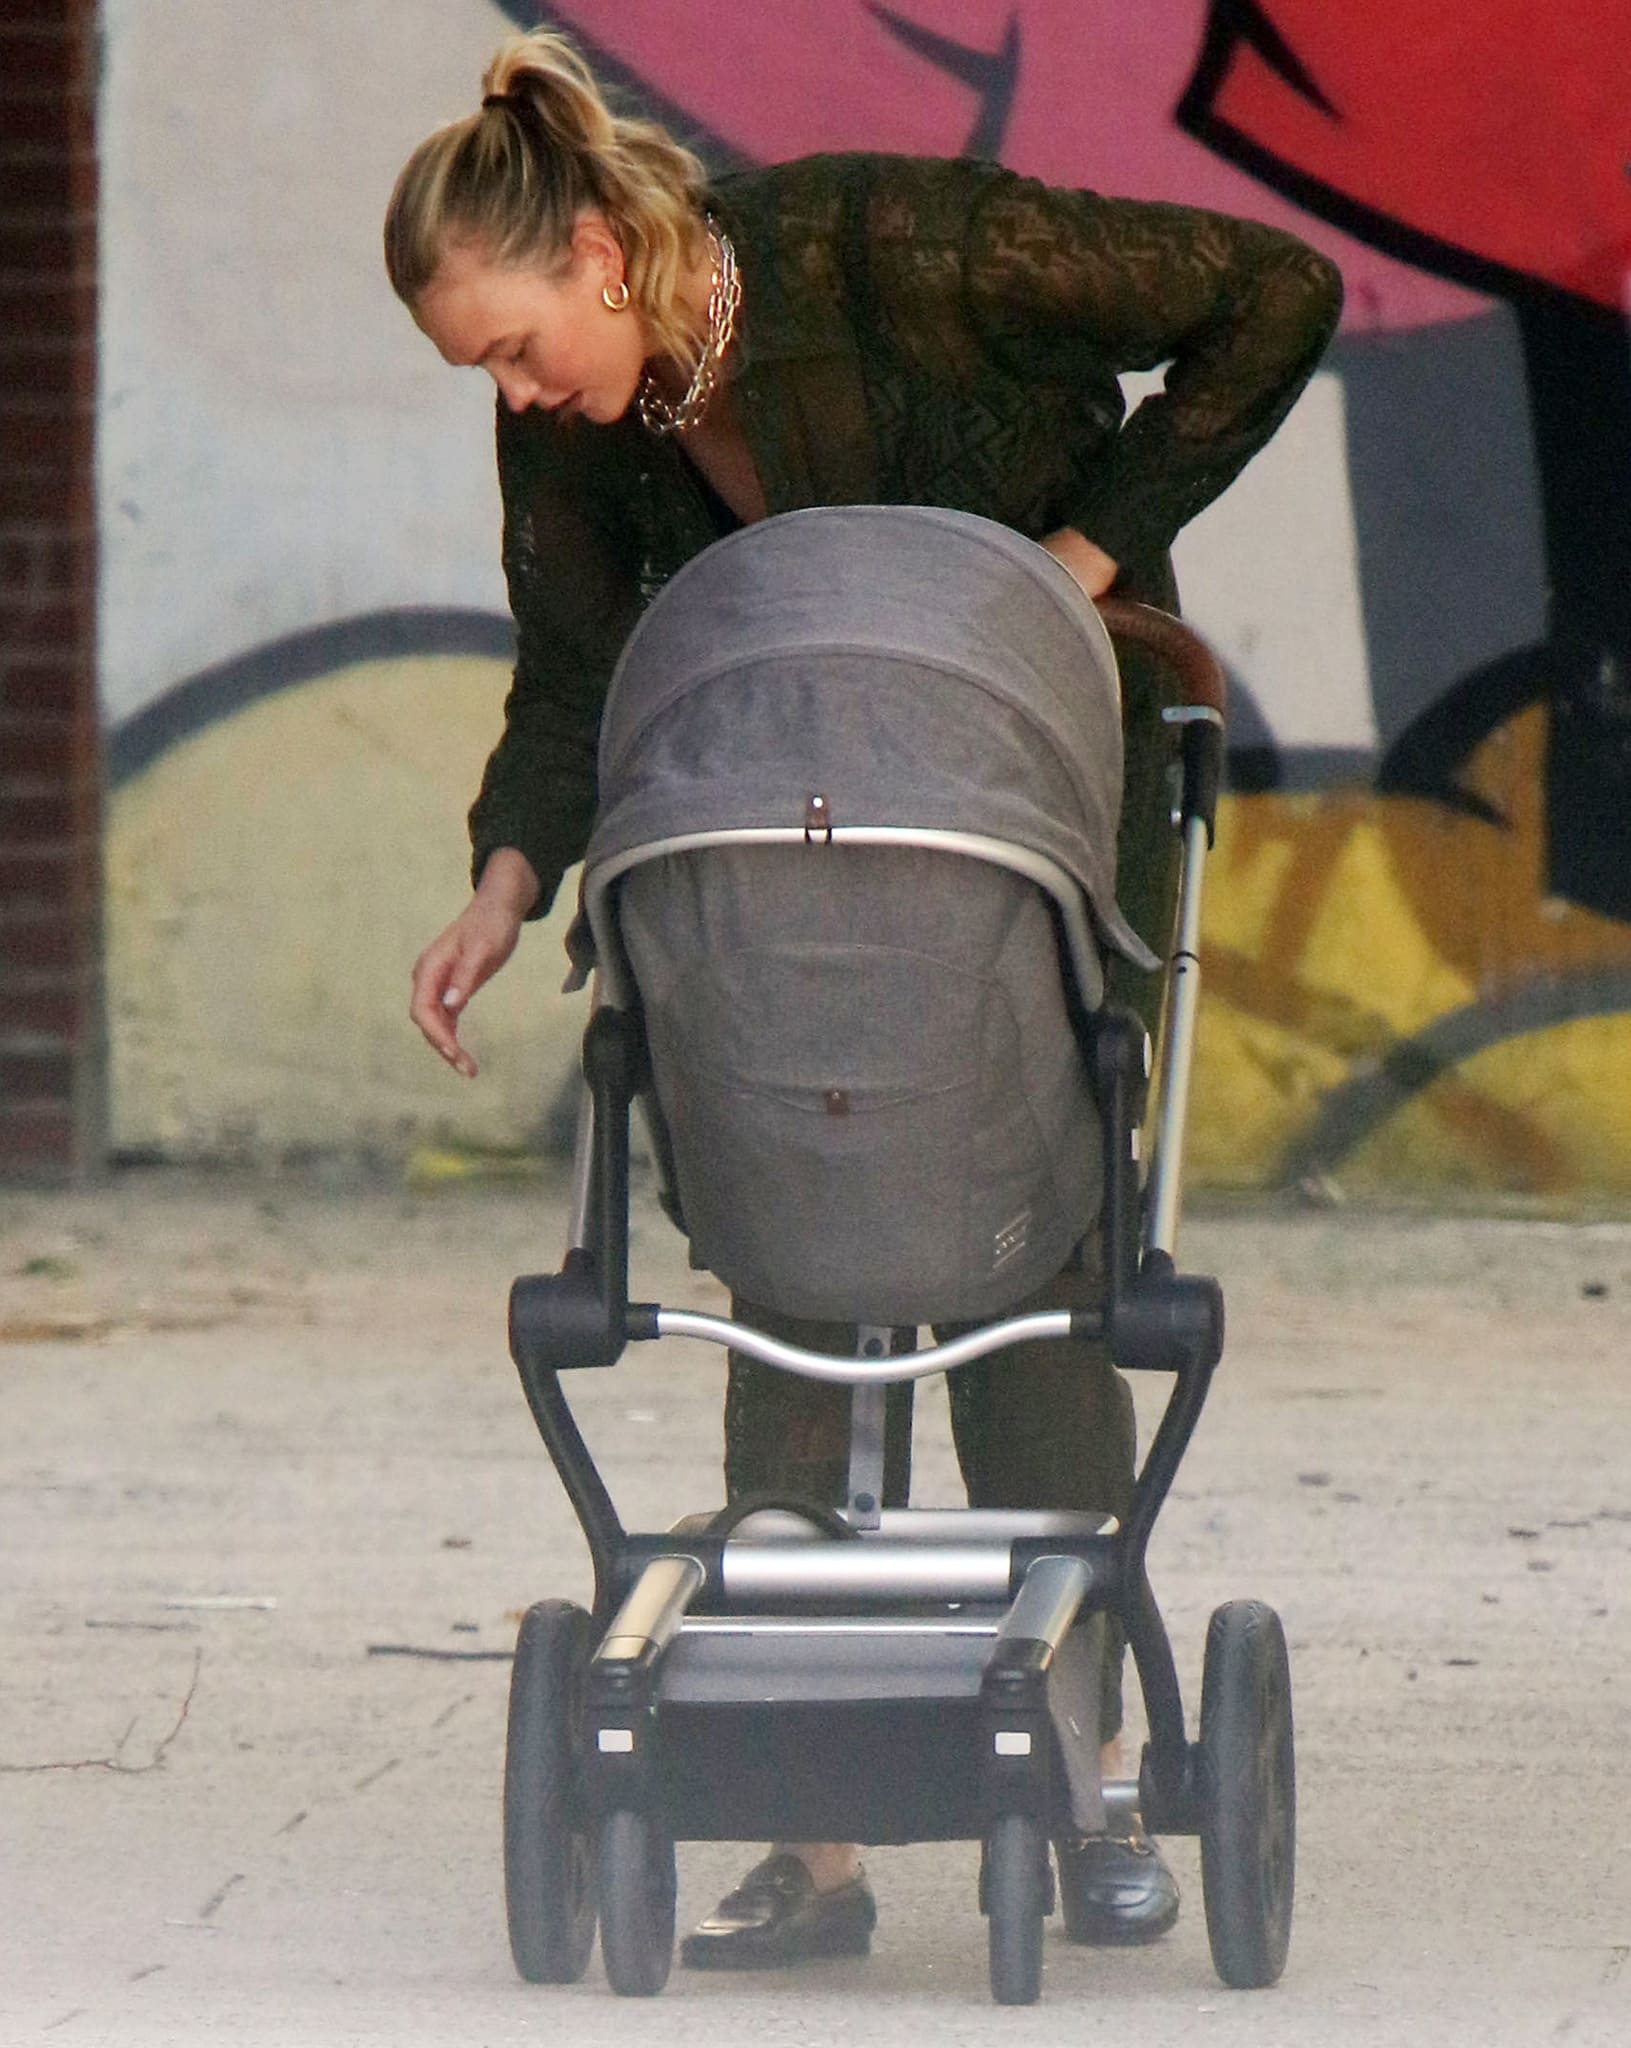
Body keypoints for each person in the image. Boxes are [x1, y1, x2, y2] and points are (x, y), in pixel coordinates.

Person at [385, 27, 1342, 1971]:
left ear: (595, 255)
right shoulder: (571, 423)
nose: (511, 391)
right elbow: (573, 668)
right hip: (782, 823)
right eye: (477, 371)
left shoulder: (900, 248)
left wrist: (1071, 562)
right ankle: (805, 1828)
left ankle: (1075, 1761)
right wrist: (503, 877)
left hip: (1034, 793)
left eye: (509, 344)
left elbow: (1275, 292)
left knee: (1016, 1229)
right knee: (796, 1221)